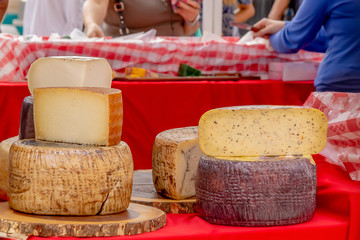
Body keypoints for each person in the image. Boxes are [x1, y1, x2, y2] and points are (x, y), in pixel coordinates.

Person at [253, 0, 360, 93]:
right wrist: (285, 26)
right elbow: (338, 37)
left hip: (340, 88)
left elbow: (293, 39)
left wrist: (272, 39)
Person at [83, 0, 201, 37]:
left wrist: (191, 20)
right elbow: (96, 3)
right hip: (128, 64)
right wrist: (92, 24)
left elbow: (189, 30)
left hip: (174, 63)